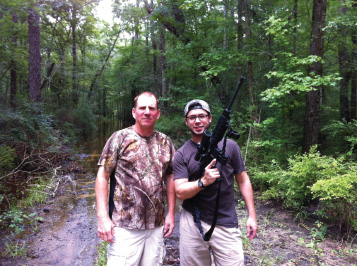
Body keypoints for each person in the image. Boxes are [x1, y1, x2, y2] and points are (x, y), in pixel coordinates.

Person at [95, 92, 176, 266]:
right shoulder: (120, 138)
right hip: (125, 227)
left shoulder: (165, 142)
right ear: (134, 112)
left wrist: (171, 213)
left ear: (158, 113)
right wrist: (103, 217)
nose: (147, 112)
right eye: (142, 108)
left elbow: (170, 177)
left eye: (151, 108)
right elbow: (103, 176)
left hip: (156, 226)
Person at [173, 99, 257, 266]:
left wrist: (252, 216)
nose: (197, 121)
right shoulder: (181, 154)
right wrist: (203, 182)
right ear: (186, 121)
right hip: (193, 221)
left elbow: (243, 180)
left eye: (201, 116)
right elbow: (180, 192)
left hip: (226, 221)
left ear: (210, 118)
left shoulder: (231, 147)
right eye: (192, 117)